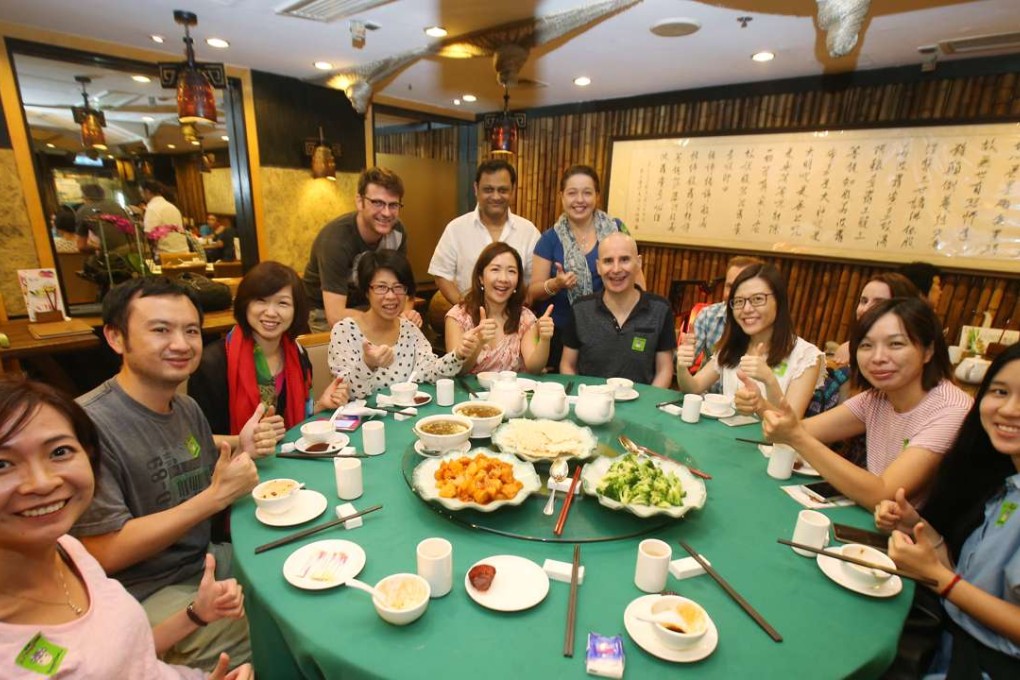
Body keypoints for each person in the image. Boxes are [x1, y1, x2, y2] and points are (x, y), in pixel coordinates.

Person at [70, 277, 272, 670]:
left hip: (203, 560)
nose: (181, 344)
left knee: (298, 571)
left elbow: (185, 449)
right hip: (143, 593)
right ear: (115, 337)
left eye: (191, 330)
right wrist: (214, 497)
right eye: (160, 330)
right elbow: (103, 553)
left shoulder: (184, 408)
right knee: (279, 628)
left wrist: (239, 443)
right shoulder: (87, 426)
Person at [0, 378, 252, 679]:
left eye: (59, 452)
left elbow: (127, 655)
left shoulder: (68, 550)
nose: (42, 482)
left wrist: (195, 614)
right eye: (3, 464)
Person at [875, 342, 1020, 677]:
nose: (1010, 409)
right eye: (1000, 391)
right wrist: (915, 524)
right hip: (944, 637)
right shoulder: (1004, 484)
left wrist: (942, 580)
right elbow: (972, 576)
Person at [761, 297, 972, 509]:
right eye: (867, 345)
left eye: (896, 344)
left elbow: (883, 493)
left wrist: (796, 437)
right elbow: (802, 429)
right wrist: (761, 405)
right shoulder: (877, 397)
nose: (878, 357)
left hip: (915, 535)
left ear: (928, 351)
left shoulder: (951, 409)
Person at [189, 262, 349, 436]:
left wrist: (321, 405)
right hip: (234, 461)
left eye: (283, 303)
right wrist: (244, 441)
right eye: (261, 301)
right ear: (245, 304)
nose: (271, 312)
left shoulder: (298, 354)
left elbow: (290, 425)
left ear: (296, 310)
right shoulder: (211, 363)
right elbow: (197, 441)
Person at [529, 165, 646, 370]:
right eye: (572, 193)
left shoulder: (616, 228)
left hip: (612, 331)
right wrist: (555, 284)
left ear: (597, 196)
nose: (580, 200)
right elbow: (533, 293)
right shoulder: (549, 239)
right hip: (561, 333)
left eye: (587, 193)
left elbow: (638, 282)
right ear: (562, 196)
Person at [327, 250, 481, 399]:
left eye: (398, 287)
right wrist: (368, 364)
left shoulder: (409, 329)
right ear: (367, 291)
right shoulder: (345, 332)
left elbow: (431, 372)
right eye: (381, 287)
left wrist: (459, 354)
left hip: (406, 417)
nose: (391, 296)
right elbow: (345, 393)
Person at [677, 263, 825, 416]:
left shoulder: (806, 356)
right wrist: (682, 367)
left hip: (769, 441)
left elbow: (790, 426)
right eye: (739, 301)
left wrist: (769, 381)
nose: (746, 309)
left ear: (779, 301)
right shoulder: (732, 347)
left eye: (758, 299)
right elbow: (693, 388)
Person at [302, 167, 419, 331]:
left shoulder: (398, 232)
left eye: (393, 205)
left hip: (372, 306)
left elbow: (403, 288)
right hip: (324, 312)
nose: (386, 213)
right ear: (359, 201)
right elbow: (335, 316)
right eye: (377, 203)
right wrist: (384, 319)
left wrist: (406, 315)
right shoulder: (336, 240)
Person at [560, 232, 674, 387]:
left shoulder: (660, 309)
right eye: (608, 261)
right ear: (598, 267)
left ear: (639, 262)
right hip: (590, 403)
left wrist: (647, 405)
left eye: (624, 259)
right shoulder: (580, 309)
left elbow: (665, 370)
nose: (616, 269)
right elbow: (567, 365)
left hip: (641, 405)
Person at [429, 159, 540, 306]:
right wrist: (464, 309)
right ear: (476, 189)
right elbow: (441, 275)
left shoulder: (529, 231)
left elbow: (535, 281)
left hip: (515, 322)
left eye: (502, 190)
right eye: (488, 189)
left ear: (513, 190)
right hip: (468, 322)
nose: (495, 197)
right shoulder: (456, 229)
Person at [445, 242, 553, 375]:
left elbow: (534, 367)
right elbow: (457, 371)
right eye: (495, 269)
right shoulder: (458, 317)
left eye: (511, 271)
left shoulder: (525, 317)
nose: (503, 279)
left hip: (513, 393)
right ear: (481, 278)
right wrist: (479, 343)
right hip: (469, 394)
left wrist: (545, 339)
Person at [690, 255, 763, 393]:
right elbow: (689, 371)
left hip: (747, 403)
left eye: (741, 286)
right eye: (730, 286)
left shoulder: (761, 329)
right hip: (707, 400)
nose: (735, 294)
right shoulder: (708, 316)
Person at [832, 272, 921, 366]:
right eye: (864, 301)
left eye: (878, 303)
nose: (865, 309)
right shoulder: (846, 351)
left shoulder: (913, 353)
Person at [74, 184, 132, 254]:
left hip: (115, 254)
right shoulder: (115, 205)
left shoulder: (83, 210)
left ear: (85, 197)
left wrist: (98, 247)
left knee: (90, 263)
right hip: (136, 247)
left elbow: (81, 246)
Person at [141, 180, 189, 255]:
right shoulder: (172, 206)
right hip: (184, 252)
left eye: (142, 192)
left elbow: (149, 235)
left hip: (166, 256)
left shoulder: (152, 208)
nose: (142, 196)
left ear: (147, 191)